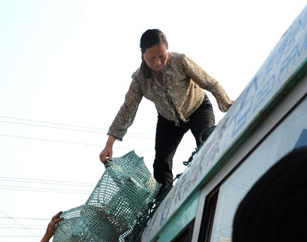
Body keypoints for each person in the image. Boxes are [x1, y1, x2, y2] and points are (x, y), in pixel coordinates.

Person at [99, 29, 233, 187]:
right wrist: (109, 144)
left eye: (162, 56)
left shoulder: (180, 60)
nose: (157, 63)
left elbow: (208, 81)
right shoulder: (139, 80)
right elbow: (128, 108)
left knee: (206, 141)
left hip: (198, 108)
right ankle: (166, 202)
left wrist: (226, 103)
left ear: (167, 50)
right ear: (143, 56)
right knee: (161, 164)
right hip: (168, 121)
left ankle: (217, 180)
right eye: (151, 59)